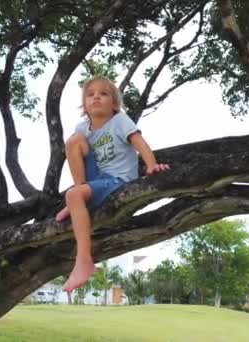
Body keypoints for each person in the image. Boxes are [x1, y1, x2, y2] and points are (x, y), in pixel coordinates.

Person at [55, 75, 169, 293]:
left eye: (103, 93)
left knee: (72, 195)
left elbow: (139, 143)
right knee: (73, 142)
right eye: (90, 95)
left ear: (114, 104)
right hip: (96, 178)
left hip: (118, 180)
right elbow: (78, 155)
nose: (96, 97)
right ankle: (79, 196)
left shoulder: (120, 120)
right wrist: (81, 187)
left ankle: (84, 261)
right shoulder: (82, 128)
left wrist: (151, 165)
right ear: (84, 104)